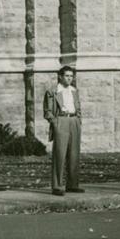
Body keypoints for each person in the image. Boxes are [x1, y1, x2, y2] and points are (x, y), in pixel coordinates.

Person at [43, 65, 83, 195]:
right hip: (61, 121)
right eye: (67, 76)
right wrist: (55, 122)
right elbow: (47, 112)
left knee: (74, 154)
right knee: (60, 154)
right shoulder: (53, 91)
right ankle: (57, 186)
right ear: (60, 76)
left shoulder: (74, 91)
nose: (69, 79)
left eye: (71, 76)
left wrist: (78, 120)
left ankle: (72, 185)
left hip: (74, 121)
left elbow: (78, 108)